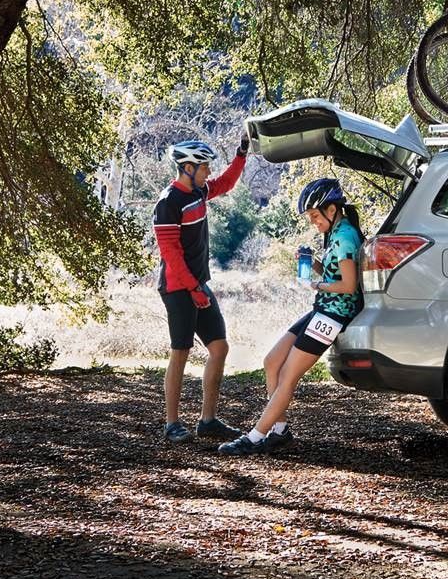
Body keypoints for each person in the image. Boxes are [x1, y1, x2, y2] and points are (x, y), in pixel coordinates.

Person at [218, 176, 362, 456]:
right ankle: (279, 430)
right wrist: (313, 264)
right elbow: (335, 273)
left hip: (334, 314)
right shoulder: (336, 232)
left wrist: (315, 285)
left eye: (314, 215)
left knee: (287, 374)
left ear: (332, 210)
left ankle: (255, 437)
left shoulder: (345, 237)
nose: (313, 222)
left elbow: (348, 285)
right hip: (323, 307)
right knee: (271, 361)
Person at [154, 135, 250, 443]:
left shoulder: (199, 192)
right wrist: (194, 289)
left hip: (198, 285)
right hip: (177, 287)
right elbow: (171, 255)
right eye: (204, 167)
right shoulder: (168, 203)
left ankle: (207, 421)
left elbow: (226, 183)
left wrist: (241, 154)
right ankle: (171, 424)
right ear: (187, 168)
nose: (208, 172)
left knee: (219, 348)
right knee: (180, 351)